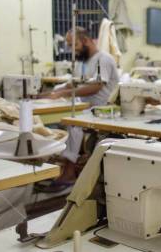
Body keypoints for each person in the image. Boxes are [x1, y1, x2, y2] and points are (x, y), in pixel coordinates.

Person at [41, 27, 119, 190]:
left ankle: (69, 172)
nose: (71, 49)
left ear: (85, 40)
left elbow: (96, 87)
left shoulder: (103, 59)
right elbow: (73, 82)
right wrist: (52, 92)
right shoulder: (83, 62)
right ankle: (62, 166)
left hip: (103, 109)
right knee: (61, 124)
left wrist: (65, 93)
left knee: (74, 124)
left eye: (73, 44)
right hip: (86, 107)